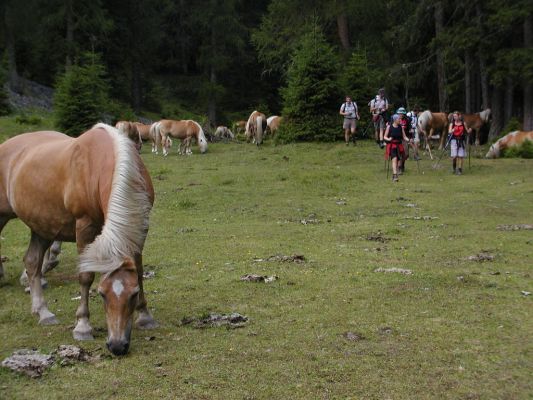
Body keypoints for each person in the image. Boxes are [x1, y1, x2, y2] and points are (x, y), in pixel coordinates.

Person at [384, 114, 411, 182]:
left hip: (399, 145)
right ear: (395, 120)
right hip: (392, 145)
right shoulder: (389, 127)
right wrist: (389, 139)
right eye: (399, 119)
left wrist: (409, 140)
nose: (400, 120)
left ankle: (395, 173)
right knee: (394, 159)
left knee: (399, 161)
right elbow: (385, 136)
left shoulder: (400, 127)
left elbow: (404, 137)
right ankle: (395, 175)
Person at [448, 111, 471, 175]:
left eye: (456, 116)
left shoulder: (463, 123)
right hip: (454, 141)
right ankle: (454, 167)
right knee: (454, 156)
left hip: (461, 140)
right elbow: (449, 132)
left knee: (460, 156)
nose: (454, 117)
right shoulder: (452, 124)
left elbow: (467, 131)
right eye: (454, 116)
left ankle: (460, 170)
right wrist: (452, 130)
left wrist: (469, 130)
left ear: (459, 116)